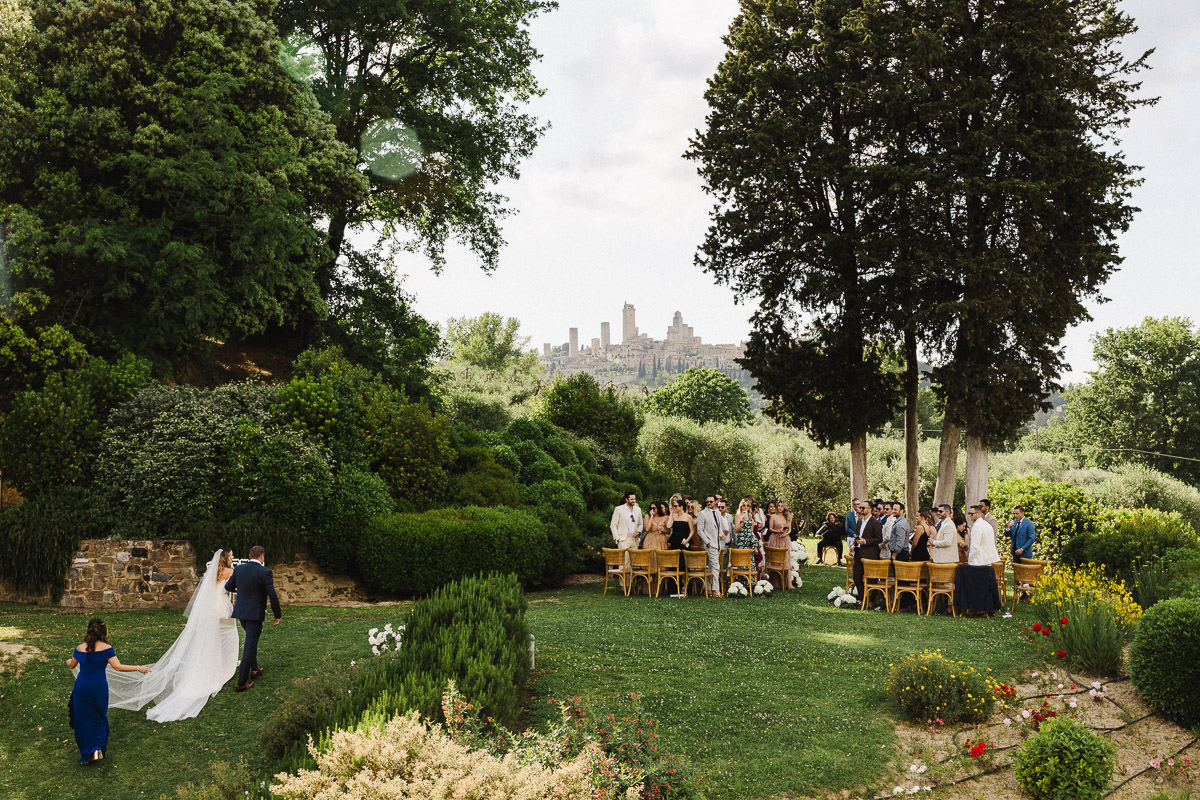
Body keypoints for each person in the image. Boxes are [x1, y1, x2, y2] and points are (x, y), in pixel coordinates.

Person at [100, 549, 239, 722]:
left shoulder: (214, 572)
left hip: (211, 609)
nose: (233, 556)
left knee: (212, 640)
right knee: (230, 637)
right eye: (231, 555)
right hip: (222, 609)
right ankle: (226, 668)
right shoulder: (230, 571)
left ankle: (215, 664)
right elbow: (235, 587)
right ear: (226, 558)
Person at [67, 618, 149, 764]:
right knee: (99, 715)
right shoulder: (106, 648)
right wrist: (138, 668)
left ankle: (87, 750)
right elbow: (118, 667)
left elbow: (71, 665)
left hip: (81, 687)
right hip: (98, 687)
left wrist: (68, 661)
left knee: (83, 718)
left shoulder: (79, 648)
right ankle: (97, 747)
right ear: (104, 631)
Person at [224, 545, 282, 692]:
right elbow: (272, 595)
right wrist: (277, 614)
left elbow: (229, 586)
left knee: (251, 640)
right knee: (249, 644)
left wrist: (240, 589)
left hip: (242, 613)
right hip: (255, 614)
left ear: (250, 555)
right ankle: (241, 682)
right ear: (261, 557)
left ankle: (254, 669)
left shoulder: (239, 569)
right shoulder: (265, 572)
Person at [852, 499, 883, 596]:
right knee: (856, 577)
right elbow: (857, 535)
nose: (860, 509)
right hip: (858, 552)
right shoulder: (860, 521)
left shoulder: (875, 522)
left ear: (870, 509)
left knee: (871, 578)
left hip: (870, 553)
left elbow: (879, 539)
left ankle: (871, 600)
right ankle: (862, 597)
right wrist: (854, 544)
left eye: (863, 508)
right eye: (860, 508)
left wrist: (865, 541)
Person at [696, 495, 725, 596]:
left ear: (715, 502)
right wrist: (707, 541)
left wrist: (721, 535)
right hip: (709, 544)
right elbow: (699, 530)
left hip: (718, 543)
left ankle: (708, 589)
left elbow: (719, 527)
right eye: (707, 501)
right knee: (716, 566)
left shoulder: (717, 513)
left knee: (710, 567)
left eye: (711, 501)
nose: (709, 503)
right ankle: (716, 590)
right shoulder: (702, 514)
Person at [642, 502, 669, 571]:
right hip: (650, 539)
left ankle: (660, 579)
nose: (652, 510)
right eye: (650, 508)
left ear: (658, 508)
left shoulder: (665, 517)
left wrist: (663, 530)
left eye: (654, 508)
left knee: (660, 559)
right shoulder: (647, 517)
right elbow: (647, 529)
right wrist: (651, 517)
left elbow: (668, 531)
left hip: (661, 540)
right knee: (651, 558)